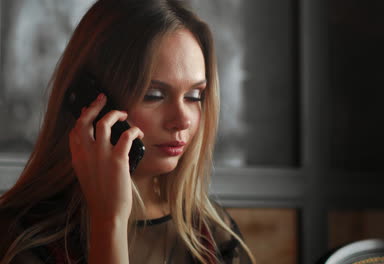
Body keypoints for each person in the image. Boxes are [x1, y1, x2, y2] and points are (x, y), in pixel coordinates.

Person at [0, 0, 255, 263]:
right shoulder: (18, 238)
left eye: (194, 96)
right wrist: (109, 223)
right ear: (91, 103)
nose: (182, 121)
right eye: (154, 95)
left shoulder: (214, 236)